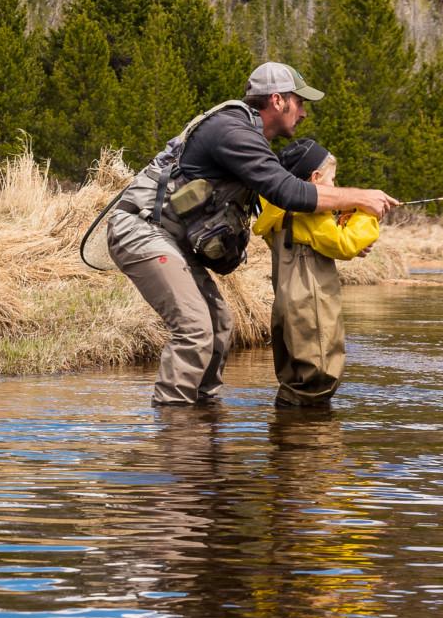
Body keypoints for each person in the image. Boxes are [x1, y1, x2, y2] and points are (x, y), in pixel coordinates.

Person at [106, 62, 400, 407]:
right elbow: (287, 192)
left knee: (219, 325)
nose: (304, 113)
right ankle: (176, 432)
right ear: (277, 100)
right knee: (195, 328)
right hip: (142, 231)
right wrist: (361, 196)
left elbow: (277, 210)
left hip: (172, 239)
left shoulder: (251, 141)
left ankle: (205, 417)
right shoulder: (233, 132)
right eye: (299, 102)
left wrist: (338, 229)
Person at [253, 141, 379, 408]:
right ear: (315, 179)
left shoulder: (280, 210)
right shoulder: (311, 214)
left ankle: (288, 434)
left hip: (289, 301)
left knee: (296, 376)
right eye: (332, 181)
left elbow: (321, 239)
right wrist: (366, 215)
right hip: (310, 297)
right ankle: (310, 445)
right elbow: (344, 245)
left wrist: (342, 217)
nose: (335, 187)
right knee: (319, 375)